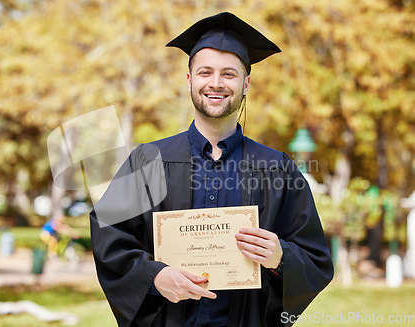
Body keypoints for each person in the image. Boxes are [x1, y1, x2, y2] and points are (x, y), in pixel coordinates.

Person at [90, 12, 333, 327]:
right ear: (190, 79)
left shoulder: (276, 169)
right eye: (205, 72)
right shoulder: (149, 161)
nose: (216, 83)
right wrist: (154, 276)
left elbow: (315, 259)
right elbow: (109, 234)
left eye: (229, 74)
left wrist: (280, 258)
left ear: (245, 84)